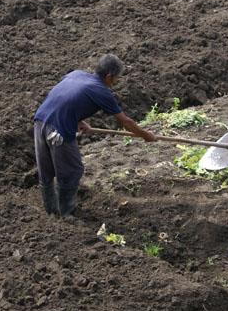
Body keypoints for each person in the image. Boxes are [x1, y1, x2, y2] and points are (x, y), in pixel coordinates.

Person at [33, 54, 155, 217]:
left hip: (40, 121)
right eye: (116, 79)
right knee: (72, 170)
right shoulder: (102, 92)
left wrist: (78, 120)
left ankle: (50, 212)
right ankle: (65, 213)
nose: (116, 82)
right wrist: (145, 135)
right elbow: (125, 122)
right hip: (58, 131)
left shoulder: (75, 74)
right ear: (109, 76)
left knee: (46, 171)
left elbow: (64, 98)